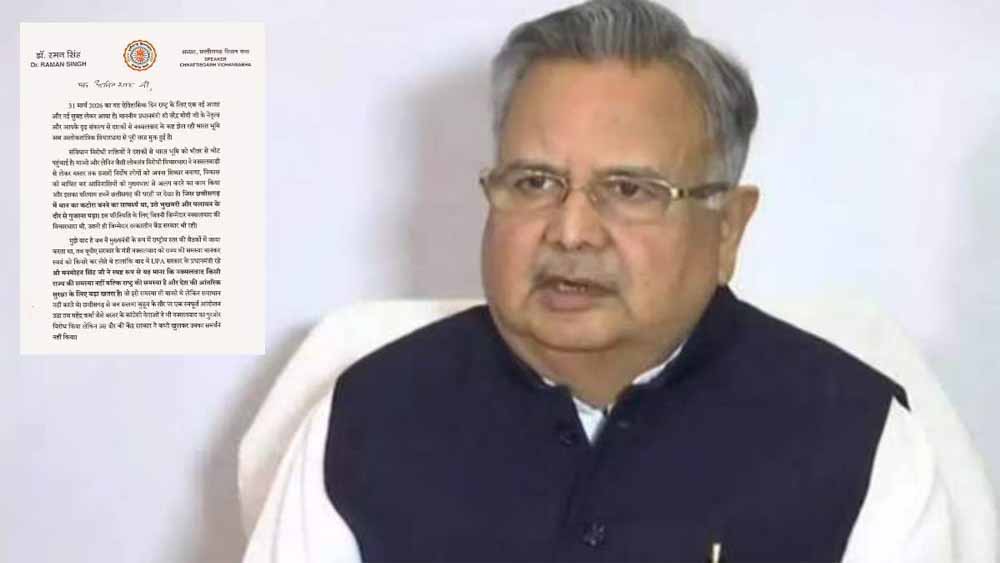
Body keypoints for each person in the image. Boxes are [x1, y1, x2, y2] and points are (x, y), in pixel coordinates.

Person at [244, 1, 960, 561]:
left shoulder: (859, 441)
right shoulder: (367, 421)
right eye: (534, 181)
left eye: (630, 190)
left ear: (727, 229)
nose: (571, 231)